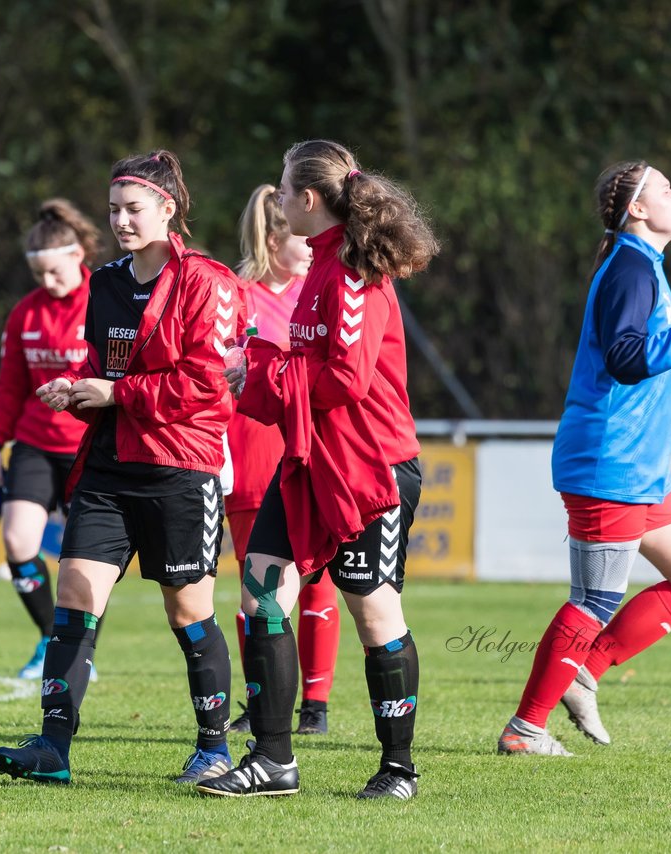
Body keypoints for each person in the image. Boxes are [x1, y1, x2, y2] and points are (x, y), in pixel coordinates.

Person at [197, 140, 439, 800]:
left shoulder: (351, 276)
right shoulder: (321, 271)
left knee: (372, 610)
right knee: (262, 591)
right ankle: (273, 758)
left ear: (309, 199)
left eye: (282, 189)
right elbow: (311, 368)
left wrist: (267, 373)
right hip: (311, 459)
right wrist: (263, 367)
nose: (276, 200)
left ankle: (398, 769)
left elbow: (347, 379)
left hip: (370, 467)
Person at [0, 150, 240, 786]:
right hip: (107, 466)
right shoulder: (104, 284)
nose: (122, 220)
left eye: (134, 209)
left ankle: (213, 749)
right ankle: (53, 748)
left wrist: (111, 392)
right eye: (113, 210)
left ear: (168, 208)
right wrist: (76, 388)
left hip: (179, 467)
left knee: (188, 612)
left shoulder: (208, 282)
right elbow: (107, 372)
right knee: (74, 593)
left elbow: (207, 386)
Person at [497, 160, 671, 756]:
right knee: (595, 600)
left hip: (639, 466)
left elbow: (632, 355)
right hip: (610, 461)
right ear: (638, 210)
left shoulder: (643, 263)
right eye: (664, 188)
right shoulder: (630, 265)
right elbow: (627, 358)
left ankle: (585, 671)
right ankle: (526, 729)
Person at [221, 185, 340, 738]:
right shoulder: (236, 296)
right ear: (274, 239)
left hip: (303, 450)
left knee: (317, 583)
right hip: (248, 455)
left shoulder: (314, 293)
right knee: (257, 587)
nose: (310, 245)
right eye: (299, 236)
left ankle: (315, 705)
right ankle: (263, 702)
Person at [0, 199, 102, 680]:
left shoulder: (106, 299)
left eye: (55, 272)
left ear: (77, 257)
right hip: (34, 442)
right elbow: (11, 383)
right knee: (17, 542)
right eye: (40, 276)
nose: (48, 284)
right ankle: (52, 638)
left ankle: (79, 654)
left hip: (91, 444)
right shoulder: (25, 314)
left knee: (89, 558)